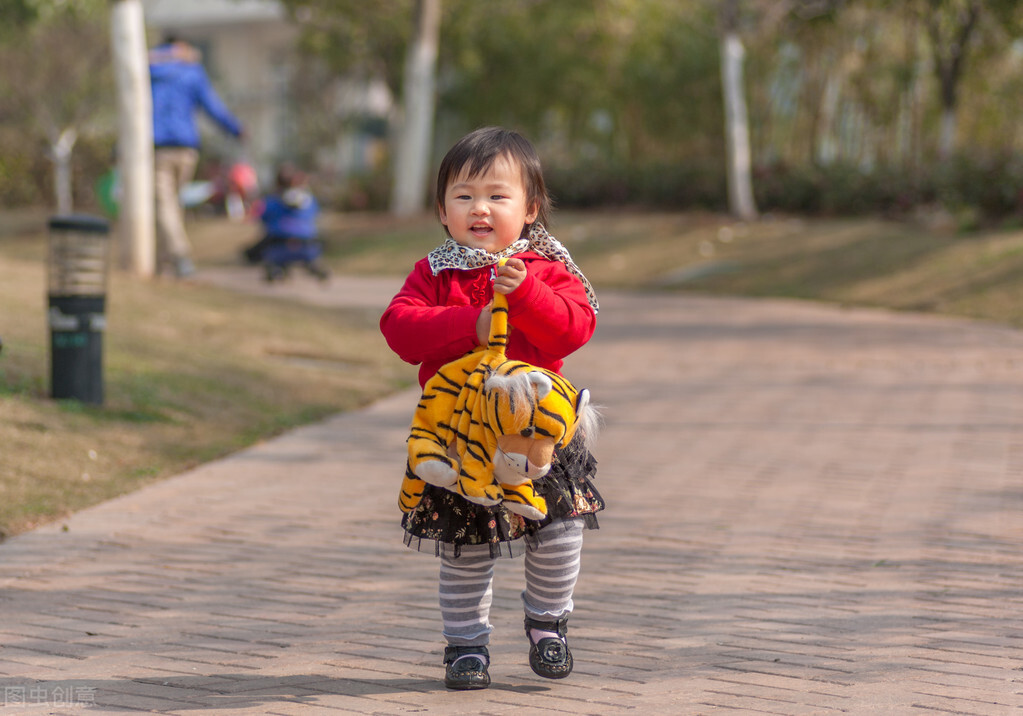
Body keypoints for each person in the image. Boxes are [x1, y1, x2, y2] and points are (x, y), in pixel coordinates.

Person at [380, 127, 604, 690]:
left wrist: (526, 293)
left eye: (497, 196)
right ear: (442, 209)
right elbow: (399, 329)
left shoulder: (546, 268)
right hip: (463, 440)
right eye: (464, 196)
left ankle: (547, 623)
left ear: (530, 209)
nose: (480, 208)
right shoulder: (435, 273)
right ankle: (466, 646)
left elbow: (574, 329)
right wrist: (469, 323)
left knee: (558, 533)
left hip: (535, 437)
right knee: (465, 549)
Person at [149, 36, 244, 278]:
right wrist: (235, 129)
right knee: (170, 204)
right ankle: (165, 263)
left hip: (158, 147)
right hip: (186, 148)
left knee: (165, 205)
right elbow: (212, 106)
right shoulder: (191, 71)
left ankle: (178, 256)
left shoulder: (148, 68)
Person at [243, 164, 329, 282]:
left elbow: (260, 217)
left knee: (257, 250)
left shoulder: (271, 201)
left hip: (278, 244)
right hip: (309, 245)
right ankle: (312, 266)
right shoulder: (310, 200)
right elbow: (316, 215)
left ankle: (275, 269)